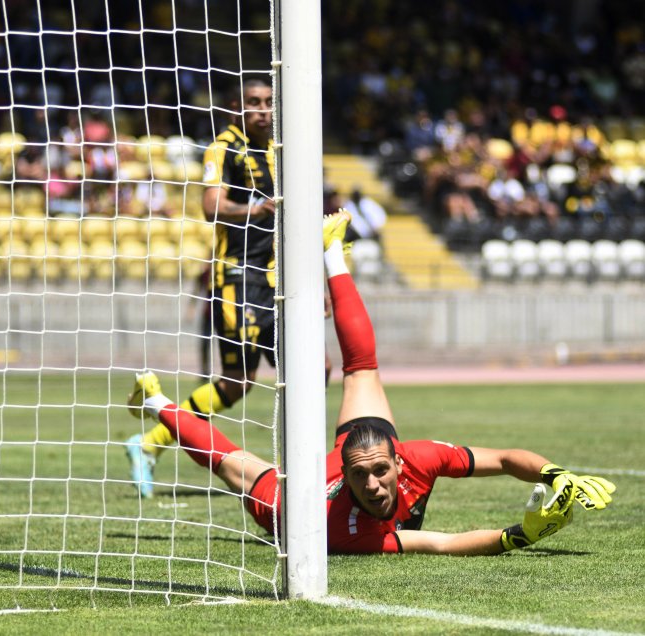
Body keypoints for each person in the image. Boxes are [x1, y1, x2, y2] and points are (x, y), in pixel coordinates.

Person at [124, 210, 616, 554]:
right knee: (234, 465)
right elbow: (439, 543)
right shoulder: (346, 531)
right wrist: (520, 535)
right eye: (364, 476)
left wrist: (556, 475)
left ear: (398, 459)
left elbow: (508, 459)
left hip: (345, 455)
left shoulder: (416, 457)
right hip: (293, 504)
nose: (375, 485)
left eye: (380, 470)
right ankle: (158, 402)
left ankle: (332, 252)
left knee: (362, 369)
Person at [125, 79, 277, 497]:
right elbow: (211, 206)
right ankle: (149, 441)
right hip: (239, 277)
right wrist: (255, 208)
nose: (262, 110)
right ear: (236, 107)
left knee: (315, 368)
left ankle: (305, 467)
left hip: (279, 280)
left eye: (268, 103)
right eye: (253, 103)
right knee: (236, 381)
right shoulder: (224, 147)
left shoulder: (280, 152)